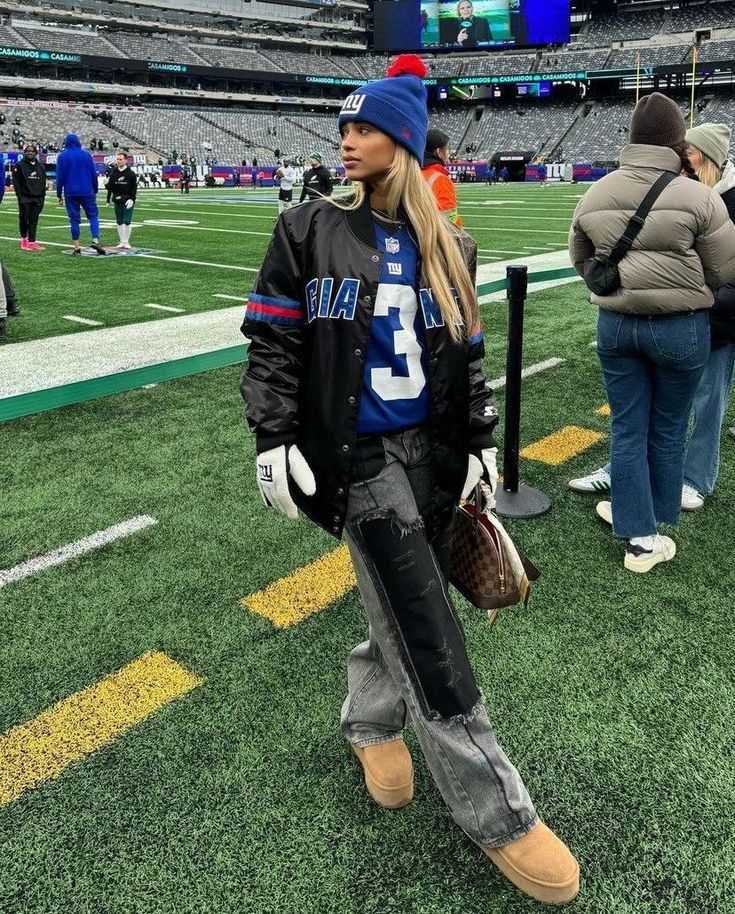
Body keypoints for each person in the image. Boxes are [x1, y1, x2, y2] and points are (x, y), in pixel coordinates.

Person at [240, 54, 579, 906]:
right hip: (354, 461)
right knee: (427, 625)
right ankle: (499, 813)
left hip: (428, 457)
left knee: (399, 601)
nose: (346, 140)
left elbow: (464, 361)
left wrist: (477, 442)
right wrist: (274, 432)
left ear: (397, 137)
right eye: (344, 126)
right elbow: (275, 344)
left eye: (363, 128)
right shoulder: (306, 228)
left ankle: (367, 720)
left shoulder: (449, 242)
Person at [568, 94, 735, 572]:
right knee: (666, 429)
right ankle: (652, 525)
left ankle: (639, 527)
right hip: (681, 328)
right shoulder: (699, 196)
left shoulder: (596, 191)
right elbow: (725, 268)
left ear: (631, 137)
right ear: (677, 142)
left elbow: (581, 259)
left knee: (626, 427)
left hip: (617, 325)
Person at [55, 133, 106, 255]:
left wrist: (58, 194)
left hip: (70, 192)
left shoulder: (62, 156)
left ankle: (77, 246)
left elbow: (60, 177)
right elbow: (93, 174)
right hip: (87, 190)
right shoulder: (87, 155)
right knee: (93, 216)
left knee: (74, 220)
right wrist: (95, 189)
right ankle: (95, 240)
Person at [421, 127, 463, 226]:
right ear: (439, 152)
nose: (449, 154)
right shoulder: (441, 179)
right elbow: (450, 219)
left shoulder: (411, 173)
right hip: (434, 236)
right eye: (448, 149)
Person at [12, 143, 46, 251]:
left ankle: (32, 241)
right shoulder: (19, 165)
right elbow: (16, 183)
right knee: (24, 219)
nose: (30, 153)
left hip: (37, 198)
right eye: (28, 151)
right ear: (24, 153)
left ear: (36, 153)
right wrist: (20, 197)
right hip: (25, 197)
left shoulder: (40, 166)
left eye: (32, 151)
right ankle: (24, 240)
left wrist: (42, 198)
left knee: (34, 220)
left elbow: (43, 182)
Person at [106, 151, 137, 250]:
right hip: (117, 199)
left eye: (121, 159)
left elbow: (134, 188)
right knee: (119, 221)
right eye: (117, 159)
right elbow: (111, 187)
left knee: (127, 221)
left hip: (127, 200)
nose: (118, 161)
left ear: (126, 160)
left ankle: (126, 241)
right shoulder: (113, 172)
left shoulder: (131, 174)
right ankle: (121, 241)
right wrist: (106, 184)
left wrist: (132, 199)